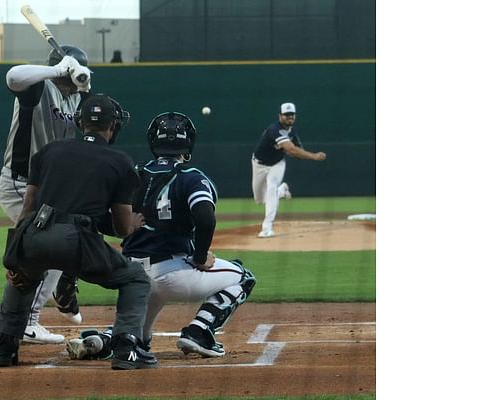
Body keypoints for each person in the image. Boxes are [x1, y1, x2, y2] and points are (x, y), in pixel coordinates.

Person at [65, 112, 256, 361]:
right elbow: (205, 217)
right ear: (188, 144)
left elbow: (99, 215)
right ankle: (200, 330)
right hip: (174, 273)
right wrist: (199, 257)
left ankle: (102, 341)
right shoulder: (191, 177)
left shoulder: (132, 172)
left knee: (138, 339)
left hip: (132, 275)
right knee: (243, 277)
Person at [0, 95, 158, 370]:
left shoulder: (48, 151)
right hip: (78, 240)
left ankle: (3, 346)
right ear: (114, 126)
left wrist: (14, 259)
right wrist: (134, 224)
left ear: (80, 123)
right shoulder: (121, 162)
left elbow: (28, 208)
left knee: (22, 277)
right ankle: (127, 347)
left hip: (36, 232)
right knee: (136, 279)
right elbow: (120, 227)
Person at [0, 45, 92, 344]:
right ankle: (27, 322)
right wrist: (57, 69)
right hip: (19, 183)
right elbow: (13, 76)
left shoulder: (76, 96)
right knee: (48, 244)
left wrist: (83, 80)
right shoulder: (37, 87)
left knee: (73, 235)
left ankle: (64, 285)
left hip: (52, 188)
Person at [251, 102, 327, 238]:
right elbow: (291, 149)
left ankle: (267, 228)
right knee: (260, 199)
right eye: (286, 115)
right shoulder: (274, 129)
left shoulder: (293, 131)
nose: (289, 117)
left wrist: (298, 153)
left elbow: (296, 150)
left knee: (271, 188)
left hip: (277, 164)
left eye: (291, 115)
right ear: (280, 116)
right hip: (259, 165)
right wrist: (313, 156)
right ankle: (282, 190)